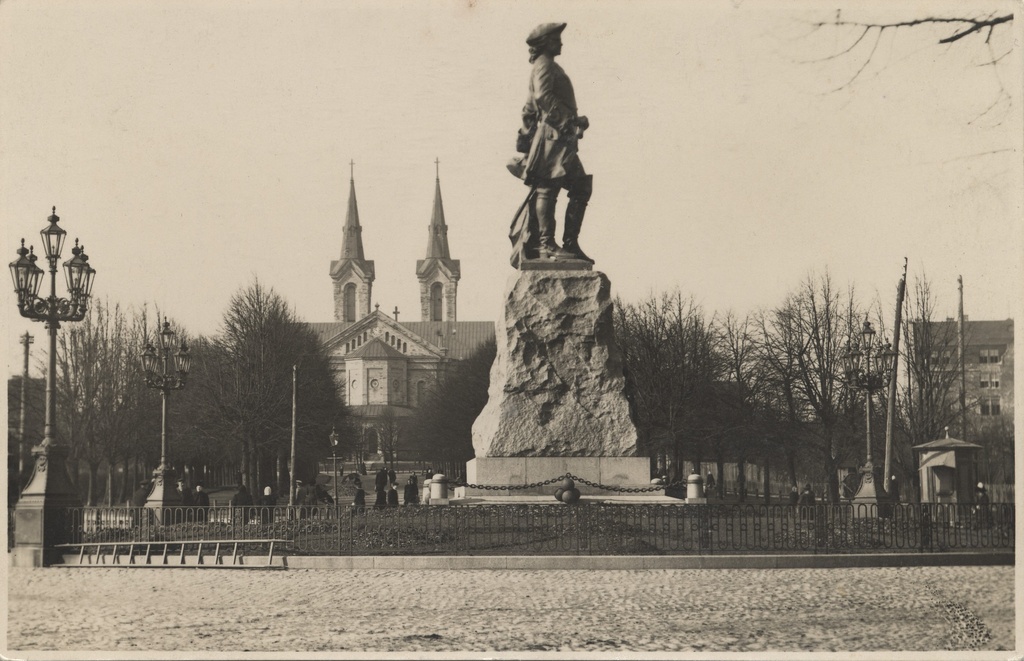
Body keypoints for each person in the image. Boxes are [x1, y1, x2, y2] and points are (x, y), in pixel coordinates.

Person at [507, 22, 593, 265]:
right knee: (549, 189)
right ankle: (547, 246)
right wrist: (570, 121)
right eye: (556, 40)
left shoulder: (546, 66)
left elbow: (528, 108)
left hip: (558, 139)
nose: (561, 43)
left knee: (580, 188)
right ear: (546, 43)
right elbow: (542, 98)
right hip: (553, 139)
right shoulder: (544, 66)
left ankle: (570, 244)